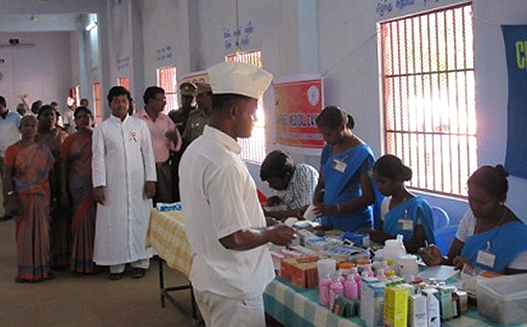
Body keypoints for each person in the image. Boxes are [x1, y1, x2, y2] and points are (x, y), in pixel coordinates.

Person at [179, 61, 295, 327]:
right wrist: (270, 235)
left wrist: (259, 222)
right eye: (253, 113)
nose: (255, 120)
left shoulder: (197, 150)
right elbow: (232, 237)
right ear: (234, 111)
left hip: (210, 278)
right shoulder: (223, 164)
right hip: (233, 288)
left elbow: (214, 214)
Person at [92, 86, 156, 280]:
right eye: (116, 101)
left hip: (138, 183)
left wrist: (151, 179)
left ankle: (140, 261)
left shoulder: (139, 126)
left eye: (124, 101)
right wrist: (98, 184)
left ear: (129, 104)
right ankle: (116, 265)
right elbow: (98, 158)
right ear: (109, 104)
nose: (120, 105)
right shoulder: (102, 129)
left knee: (140, 218)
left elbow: (147, 153)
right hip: (113, 184)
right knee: (114, 221)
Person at [419, 165, 527, 274]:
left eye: (482, 202)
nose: (474, 206)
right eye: (470, 198)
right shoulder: (471, 217)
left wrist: (475, 272)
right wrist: (441, 260)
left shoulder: (519, 237)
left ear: (501, 199)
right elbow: (452, 260)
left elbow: (515, 286)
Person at [3, 115, 55, 282]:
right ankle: (25, 272)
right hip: (21, 197)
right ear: (20, 128)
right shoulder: (12, 150)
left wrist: (52, 196)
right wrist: (10, 198)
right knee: (24, 234)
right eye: (26, 125)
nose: (29, 129)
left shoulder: (43, 150)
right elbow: (6, 176)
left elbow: (49, 174)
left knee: (42, 234)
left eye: (32, 125)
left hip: (41, 196)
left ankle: (43, 270)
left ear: (36, 128)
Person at [313, 106, 376, 232]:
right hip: (329, 221)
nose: (325, 138)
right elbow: (321, 184)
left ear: (342, 127)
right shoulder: (328, 149)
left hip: (354, 223)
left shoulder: (362, 154)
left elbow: (368, 197)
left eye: (329, 134)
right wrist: (314, 207)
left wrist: (336, 209)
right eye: (323, 134)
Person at [357, 154, 435, 253]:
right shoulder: (386, 203)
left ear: (398, 180)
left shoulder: (418, 207)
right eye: (377, 182)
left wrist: (383, 238)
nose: (379, 186)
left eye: (383, 182)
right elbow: (382, 237)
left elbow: (420, 246)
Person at [60, 107, 97, 274]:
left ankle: (98, 260)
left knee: (96, 222)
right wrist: (62, 190)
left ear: (92, 118)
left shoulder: (98, 136)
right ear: (75, 121)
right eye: (79, 117)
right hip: (77, 185)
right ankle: (81, 260)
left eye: (86, 116)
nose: (83, 120)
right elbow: (63, 165)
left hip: (96, 184)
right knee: (80, 220)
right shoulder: (69, 140)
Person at [136, 86, 182, 204]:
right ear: (150, 101)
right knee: (145, 201)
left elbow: (177, 145)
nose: (164, 103)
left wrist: (174, 139)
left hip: (163, 168)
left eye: (165, 100)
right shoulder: (136, 120)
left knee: (165, 202)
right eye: (161, 100)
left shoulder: (166, 120)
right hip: (143, 169)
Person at [36, 105, 69, 268]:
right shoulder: (34, 137)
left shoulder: (62, 135)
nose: (49, 118)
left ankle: (60, 255)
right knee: (42, 219)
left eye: (52, 115)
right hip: (39, 181)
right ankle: (43, 256)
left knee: (61, 218)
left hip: (60, 177)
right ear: (39, 118)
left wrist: (63, 188)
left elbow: (66, 159)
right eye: (45, 115)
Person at [260, 149, 319, 221]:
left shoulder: (306, 173)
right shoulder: (282, 183)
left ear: (286, 176)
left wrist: (269, 214)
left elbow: (305, 213)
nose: (271, 186)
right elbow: (287, 206)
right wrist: (277, 201)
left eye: (273, 182)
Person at [0, 96, 22, 221]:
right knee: (6, 183)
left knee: (19, 180)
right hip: (2, 155)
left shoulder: (16, 117)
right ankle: (8, 210)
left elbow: (23, 131)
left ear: (3, 105)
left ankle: (21, 207)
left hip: (17, 155)